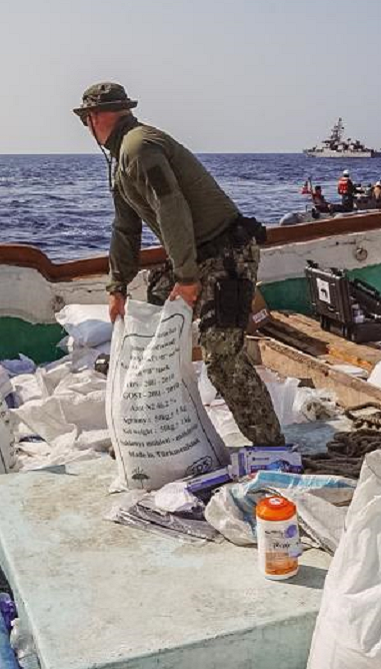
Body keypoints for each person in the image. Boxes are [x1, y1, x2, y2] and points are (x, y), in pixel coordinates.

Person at [73, 81, 285, 447]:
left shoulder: (138, 149)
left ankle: (271, 446)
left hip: (227, 256)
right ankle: (154, 433)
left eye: (85, 120)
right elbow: (125, 228)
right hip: (196, 255)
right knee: (151, 315)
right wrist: (117, 287)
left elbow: (172, 211)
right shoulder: (119, 160)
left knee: (222, 359)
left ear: (95, 118)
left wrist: (187, 279)